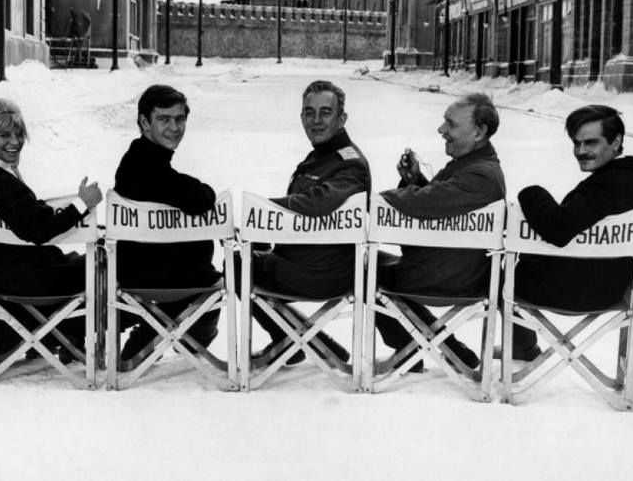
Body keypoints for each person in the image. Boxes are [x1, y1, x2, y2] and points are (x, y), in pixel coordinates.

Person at [239, 80, 370, 365]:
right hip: (306, 264)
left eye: (325, 113)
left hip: (321, 273)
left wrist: (262, 210)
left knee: (236, 265)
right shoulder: (321, 155)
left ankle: (296, 341)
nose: (316, 120)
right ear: (301, 118)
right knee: (247, 250)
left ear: (341, 119)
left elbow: (318, 202)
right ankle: (306, 340)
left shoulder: (350, 163)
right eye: (309, 113)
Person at [0, 99, 103, 353]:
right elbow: (37, 232)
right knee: (106, 266)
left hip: (0, 273)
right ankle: (69, 335)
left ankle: (62, 337)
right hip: (28, 279)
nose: (15, 141)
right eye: (4, 135)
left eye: (19, 133)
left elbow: (25, 218)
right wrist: (82, 204)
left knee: (87, 262)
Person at [374, 93, 507, 370]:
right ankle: (444, 347)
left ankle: (411, 348)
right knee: (366, 264)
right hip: (448, 267)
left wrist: (372, 200)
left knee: (355, 267)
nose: (441, 130)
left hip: (447, 276)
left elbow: (426, 202)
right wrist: (415, 180)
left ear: (479, 132)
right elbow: (443, 203)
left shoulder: (480, 175)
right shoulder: (475, 166)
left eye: (451, 124)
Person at [511, 105, 633, 360]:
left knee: (504, 272)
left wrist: (532, 192)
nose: (581, 151)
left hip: (571, 292)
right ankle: (522, 347)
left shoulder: (606, 186)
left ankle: (522, 347)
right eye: (576, 143)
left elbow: (558, 228)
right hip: (612, 290)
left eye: (591, 143)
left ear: (616, 141)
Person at [113, 85, 223, 362]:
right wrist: (202, 190)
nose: (174, 128)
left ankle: (153, 331)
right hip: (174, 285)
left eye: (180, 119)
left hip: (142, 279)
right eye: (164, 119)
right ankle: (172, 331)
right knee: (222, 281)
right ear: (144, 122)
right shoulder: (145, 168)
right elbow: (201, 199)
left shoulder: (139, 161)